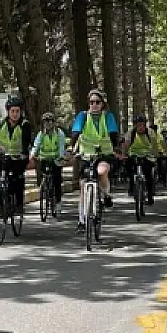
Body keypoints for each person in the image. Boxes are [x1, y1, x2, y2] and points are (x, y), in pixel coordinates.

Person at [68, 88, 121, 232]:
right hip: (86, 154)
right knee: (83, 185)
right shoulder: (83, 116)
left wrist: (116, 149)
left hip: (104, 154)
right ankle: (81, 221)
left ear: (102, 104)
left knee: (102, 171)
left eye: (97, 102)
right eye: (91, 102)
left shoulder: (108, 116)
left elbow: (113, 133)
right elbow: (76, 132)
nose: (94, 105)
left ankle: (106, 195)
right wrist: (72, 148)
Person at [0, 96, 33, 208]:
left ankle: (19, 205)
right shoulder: (1, 123)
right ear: (8, 111)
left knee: (17, 180)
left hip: (18, 158)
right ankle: (0, 204)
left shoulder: (24, 125)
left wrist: (24, 154)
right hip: (4, 157)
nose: (15, 114)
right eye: (12, 111)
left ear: (21, 112)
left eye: (17, 111)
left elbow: (26, 141)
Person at [32, 112, 66, 203]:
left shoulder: (59, 133)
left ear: (54, 122)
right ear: (43, 123)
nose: (48, 123)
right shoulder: (41, 134)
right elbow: (36, 145)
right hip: (44, 159)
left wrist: (61, 157)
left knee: (57, 180)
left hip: (56, 159)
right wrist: (33, 155)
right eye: (46, 121)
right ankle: (46, 191)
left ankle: (58, 202)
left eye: (50, 121)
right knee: (44, 176)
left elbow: (61, 146)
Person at [123, 115, 156, 205]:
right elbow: (126, 145)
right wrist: (125, 154)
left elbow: (154, 145)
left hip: (147, 155)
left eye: (142, 125)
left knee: (149, 176)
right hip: (133, 154)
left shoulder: (150, 132)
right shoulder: (131, 132)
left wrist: (155, 154)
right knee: (130, 169)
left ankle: (150, 196)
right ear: (135, 125)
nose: (140, 127)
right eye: (138, 125)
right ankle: (132, 188)